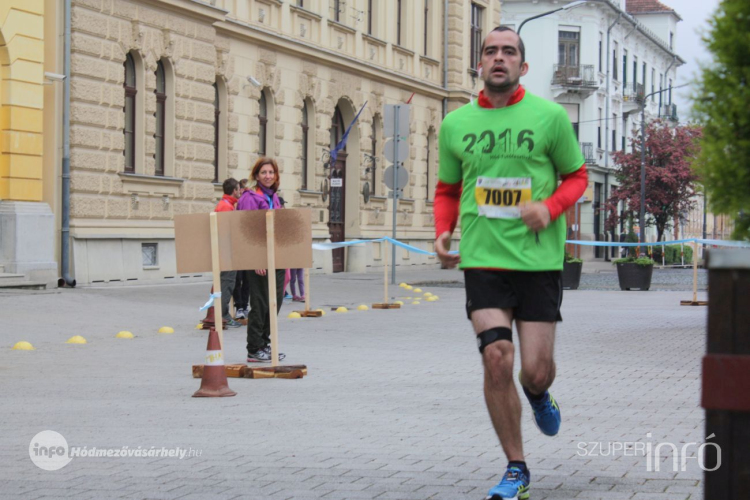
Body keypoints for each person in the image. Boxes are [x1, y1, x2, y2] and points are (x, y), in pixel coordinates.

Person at [434, 26, 588, 500]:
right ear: (478, 65)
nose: (499, 58)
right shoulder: (455, 124)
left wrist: (551, 207)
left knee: (534, 371)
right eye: (490, 51)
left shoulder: (549, 117)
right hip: (483, 260)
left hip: (538, 261)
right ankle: (516, 467)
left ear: (523, 66)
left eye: (509, 52)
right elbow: (447, 188)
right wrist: (443, 229)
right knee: (496, 358)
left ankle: (540, 396)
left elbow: (577, 176)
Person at [236, 158, 287, 363]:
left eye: (271, 172)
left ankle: (266, 344)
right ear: (256, 176)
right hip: (259, 260)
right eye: (264, 172)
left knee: (275, 302)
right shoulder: (250, 198)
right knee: (260, 303)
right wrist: (256, 259)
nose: (268, 176)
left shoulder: (274, 197)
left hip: (276, 258)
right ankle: (254, 348)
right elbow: (245, 231)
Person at [214, 178, 242, 329]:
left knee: (226, 282)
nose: (240, 192)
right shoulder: (226, 207)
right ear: (234, 190)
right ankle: (223, 316)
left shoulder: (227, 204)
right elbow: (225, 232)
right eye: (239, 189)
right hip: (226, 252)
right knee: (227, 283)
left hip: (225, 250)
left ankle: (221, 314)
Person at [232, 179, 251, 320]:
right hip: (238, 247)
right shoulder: (236, 204)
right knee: (239, 279)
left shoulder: (249, 202)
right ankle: (239, 306)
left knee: (247, 279)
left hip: (247, 246)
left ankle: (244, 305)